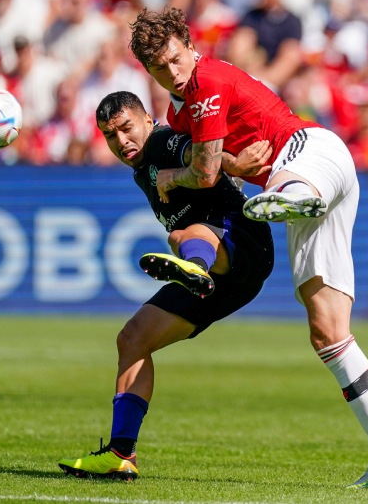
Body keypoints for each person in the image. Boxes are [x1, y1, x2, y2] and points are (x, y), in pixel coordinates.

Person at [128, 6, 368, 489]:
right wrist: (224, 167)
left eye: (176, 58)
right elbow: (219, 166)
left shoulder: (206, 80)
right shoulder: (181, 110)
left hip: (310, 153)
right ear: (148, 71)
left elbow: (205, 173)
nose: (172, 72)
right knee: (328, 333)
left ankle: (288, 196)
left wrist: (169, 177)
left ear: (190, 45)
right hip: (319, 179)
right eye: (160, 68)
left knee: (282, 179)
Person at [57, 90, 274, 480]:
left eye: (126, 128)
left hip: (244, 242)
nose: (121, 141)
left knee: (180, 236)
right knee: (133, 339)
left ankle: (193, 267)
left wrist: (234, 164)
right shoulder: (142, 168)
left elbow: (198, 153)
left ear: (145, 119)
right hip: (225, 280)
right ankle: (121, 454)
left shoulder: (159, 140)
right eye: (110, 135)